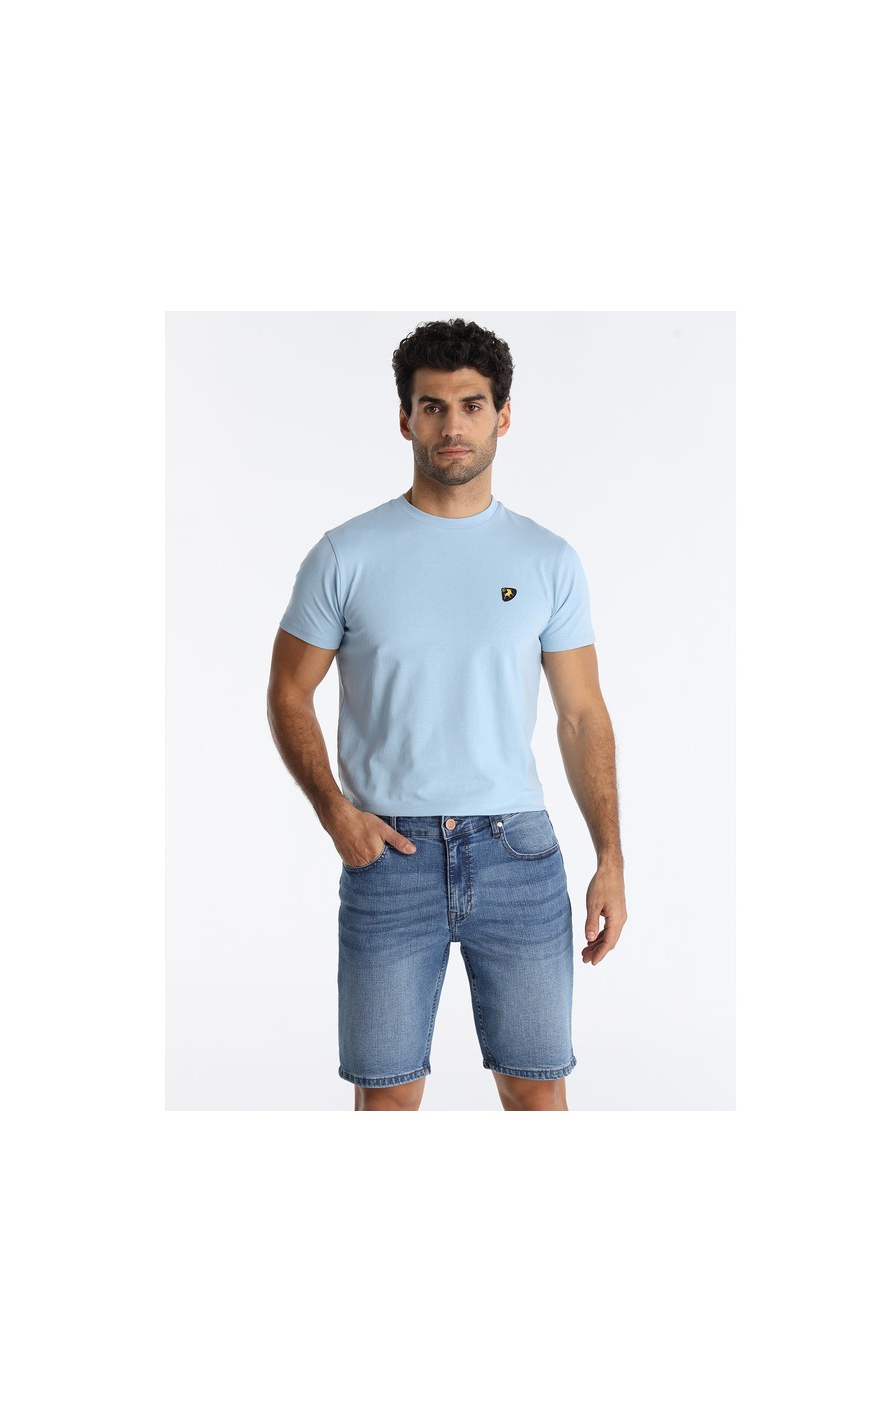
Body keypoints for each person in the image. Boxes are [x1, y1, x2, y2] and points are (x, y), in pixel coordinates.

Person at [267, 318, 626, 1111]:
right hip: (388, 855)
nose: (452, 425)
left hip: (518, 854)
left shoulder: (547, 560)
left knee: (536, 1095)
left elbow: (581, 717)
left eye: (471, 405)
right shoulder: (346, 554)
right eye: (432, 406)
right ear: (405, 419)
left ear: (504, 416)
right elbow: (288, 690)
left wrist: (611, 857)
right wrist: (335, 812)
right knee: (388, 1101)